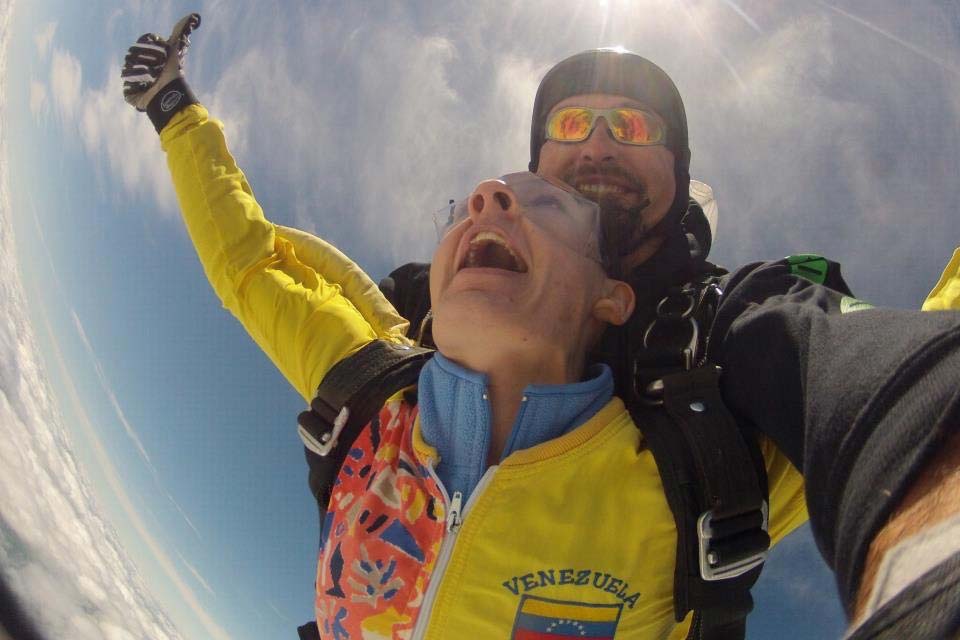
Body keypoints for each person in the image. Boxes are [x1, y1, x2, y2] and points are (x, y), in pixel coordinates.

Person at [122, 16, 960, 639]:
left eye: (632, 126)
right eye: (564, 130)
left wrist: (929, 576)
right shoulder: (371, 381)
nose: (595, 141)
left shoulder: (709, 433)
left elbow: (887, 387)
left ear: (613, 296)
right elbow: (252, 266)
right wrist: (175, 112)